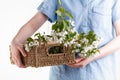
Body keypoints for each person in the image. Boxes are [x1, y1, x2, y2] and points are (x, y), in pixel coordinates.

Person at [11, 0, 120, 80]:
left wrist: (93, 55)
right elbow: (33, 24)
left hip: (101, 74)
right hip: (64, 75)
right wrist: (16, 41)